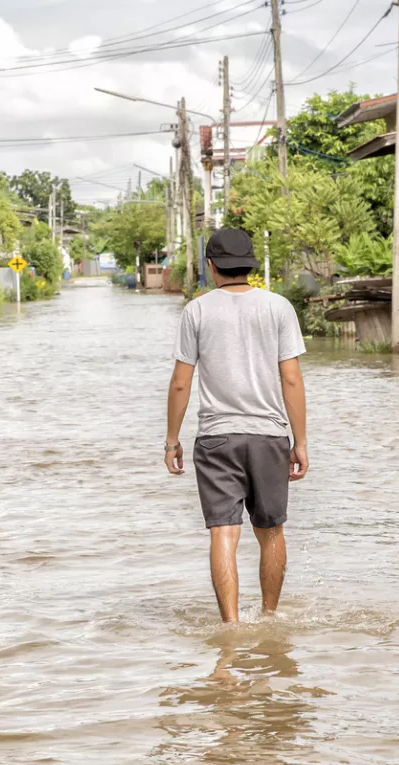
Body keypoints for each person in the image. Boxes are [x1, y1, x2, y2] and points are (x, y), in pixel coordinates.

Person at [164, 228, 308, 623]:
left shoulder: (196, 311)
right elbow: (291, 379)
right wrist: (300, 442)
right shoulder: (278, 307)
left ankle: (230, 627)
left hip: (216, 438)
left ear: (211, 266)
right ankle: (269, 617)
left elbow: (181, 381)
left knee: (223, 535)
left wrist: (171, 441)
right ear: (251, 265)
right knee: (272, 532)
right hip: (269, 436)